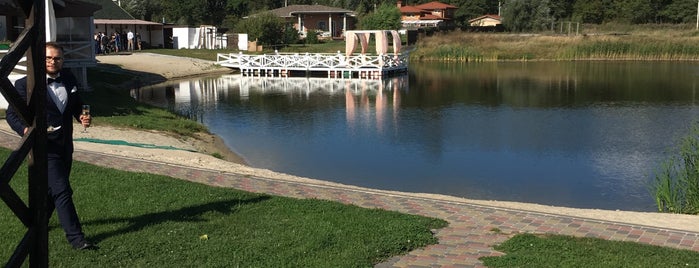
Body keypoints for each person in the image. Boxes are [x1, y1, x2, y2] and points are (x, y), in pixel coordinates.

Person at [5, 42, 95, 250]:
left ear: (62, 60)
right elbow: (11, 115)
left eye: (57, 58)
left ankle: (38, 225)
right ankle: (77, 239)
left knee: (52, 191)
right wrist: (25, 131)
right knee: (62, 190)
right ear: (40, 59)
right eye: (48, 58)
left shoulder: (69, 78)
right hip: (44, 146)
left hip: (65, 145)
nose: (53, 61)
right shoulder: (24, 84)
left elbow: (77, 104)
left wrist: (82, 115)